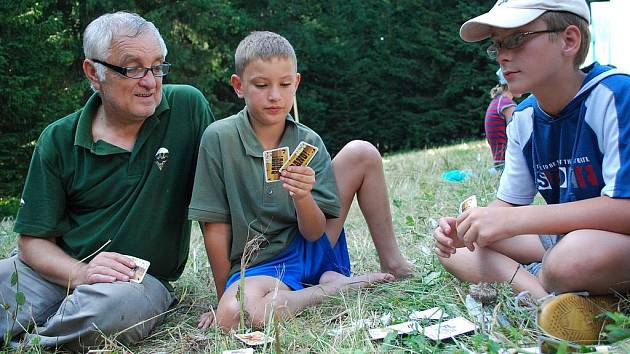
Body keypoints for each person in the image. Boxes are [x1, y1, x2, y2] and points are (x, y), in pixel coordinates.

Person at [0, 11, 213, 349]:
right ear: (93, 73)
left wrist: (232, 288)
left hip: (134, 283)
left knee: (114, 311)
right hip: (58, 271)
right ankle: (54, 323)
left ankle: (30, 345)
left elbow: (215, 205)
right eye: (132, 68)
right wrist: (81, 274)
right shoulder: (58, 138)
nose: (150, 81)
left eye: (157, 66)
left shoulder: (187, 107)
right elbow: (32, 242)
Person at [433, 0, 630, 344]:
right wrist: (468, 227)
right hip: (572, 238)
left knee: (568, 260)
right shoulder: (524, 118)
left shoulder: (614, 95)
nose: (502, 56)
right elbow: (506, 209)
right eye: (497, 44)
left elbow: (624, 210)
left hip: (604, 242)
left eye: (517, 39)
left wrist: (512, 222)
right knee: (460, 252)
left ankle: (565, 290)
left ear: (569, 41)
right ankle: (547, 301)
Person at [189, 31, 413, 332]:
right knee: (232, 317)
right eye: (261, 85)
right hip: (262, 263)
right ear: (238, 86)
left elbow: (315, 232)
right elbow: (214, 228)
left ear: (296, 83)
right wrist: (222, 298)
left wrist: (302, 196)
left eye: (284, 85)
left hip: (313, 245)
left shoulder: (308, 141)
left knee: (363, 152)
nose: (274, 96)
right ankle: (331, 287)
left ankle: (391, 263)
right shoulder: (219, 138)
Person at [484, 69, 517, 172]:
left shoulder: (498, 101)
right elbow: (518, 135)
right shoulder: (507, 104)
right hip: (508, 164)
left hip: (498, 164)